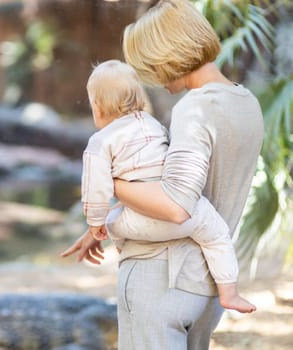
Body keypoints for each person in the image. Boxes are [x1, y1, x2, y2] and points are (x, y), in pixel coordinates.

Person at [62, 0, 264, 349]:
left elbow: (175, 205)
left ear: (167, 55)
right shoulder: (246, 102)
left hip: (161, 277)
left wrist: (108, 181)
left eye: (149, 65)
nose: (150, 78)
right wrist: (105, 223)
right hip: (209, 283)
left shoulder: (195, 108)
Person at [69, 58, 255, 313]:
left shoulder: (100, 142)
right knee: (218, 235)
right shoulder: (154, 126)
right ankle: (230, 293)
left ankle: (126, 252)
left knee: (113, 220)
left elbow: (95, 191)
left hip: (144, 222)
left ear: (97, 108)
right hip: (188, 214)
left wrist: (96, 225)